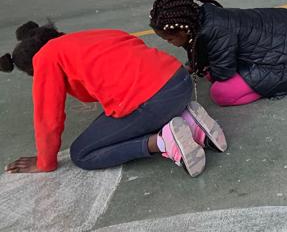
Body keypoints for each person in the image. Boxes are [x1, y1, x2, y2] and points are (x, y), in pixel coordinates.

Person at [1, 20, 225, 178]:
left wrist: (44, 162)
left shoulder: (45, 58)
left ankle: (163, 141)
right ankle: (189, 122)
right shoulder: (88, 36)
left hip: (155, 100)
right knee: (123, 115)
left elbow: (48, 117)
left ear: (32, 67)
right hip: (180, 81)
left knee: (82, 153)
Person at [149, 0, 287, 107]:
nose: (169, 42)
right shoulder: (204, 16)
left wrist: (203, 69)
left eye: (170, 39)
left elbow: (223, 72)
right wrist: (194, 65)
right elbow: (206, 52)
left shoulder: (215, 30)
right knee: (210, 69)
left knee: (220, 93)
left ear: (184, 30)